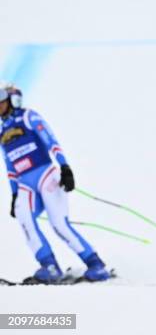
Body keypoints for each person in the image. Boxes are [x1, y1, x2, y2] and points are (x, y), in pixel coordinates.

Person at [0, 83, 111, 283]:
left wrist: (65, 168)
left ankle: (96, 264)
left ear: (12, 98)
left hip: (46, 175)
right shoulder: (2, 131)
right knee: (24, 218)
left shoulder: (28, 116)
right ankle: (49, 266)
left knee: (59, 224)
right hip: (25, 184)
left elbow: (51, 141)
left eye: (1, 97)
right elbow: (9, 166)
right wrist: (14, 193)